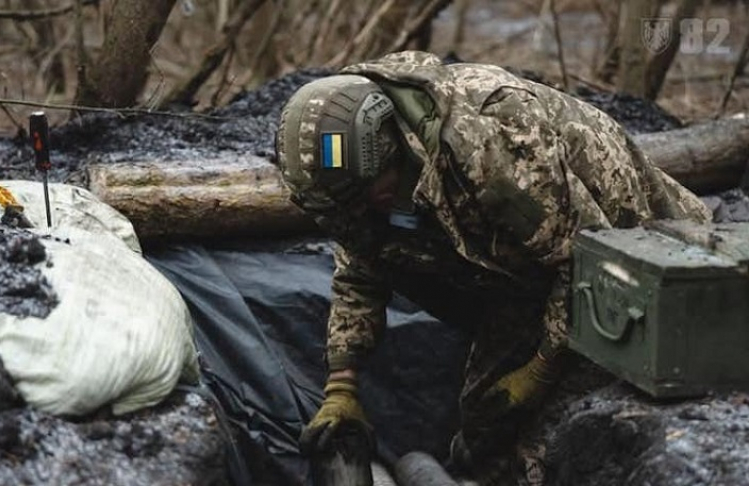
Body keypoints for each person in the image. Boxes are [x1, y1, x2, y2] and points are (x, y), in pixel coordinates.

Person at [275, 51, 711, 469]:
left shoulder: (493, 145)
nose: (362, 210)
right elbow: (359, 268)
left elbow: (585, 262)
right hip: (520, 276)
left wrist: (538, 372)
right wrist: (341, 385)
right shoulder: (357, 191)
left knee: (555, 440)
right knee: (487, 421)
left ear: (391, 146)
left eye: (366, 194)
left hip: (635, 263)